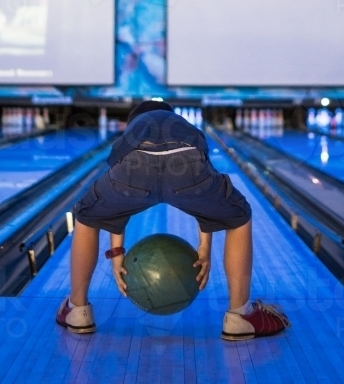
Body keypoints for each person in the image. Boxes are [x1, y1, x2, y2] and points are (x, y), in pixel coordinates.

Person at [56, 100, 289, 341]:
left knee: (85, 216)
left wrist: (116, 253)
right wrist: (204, 248)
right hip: (186, 163)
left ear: (134, 120)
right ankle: (240, 315)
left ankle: (78, 310)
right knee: (239, 216)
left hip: (133, 165)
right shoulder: (182, 124)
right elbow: (205, 193)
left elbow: (116, 208)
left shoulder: (134, 129)